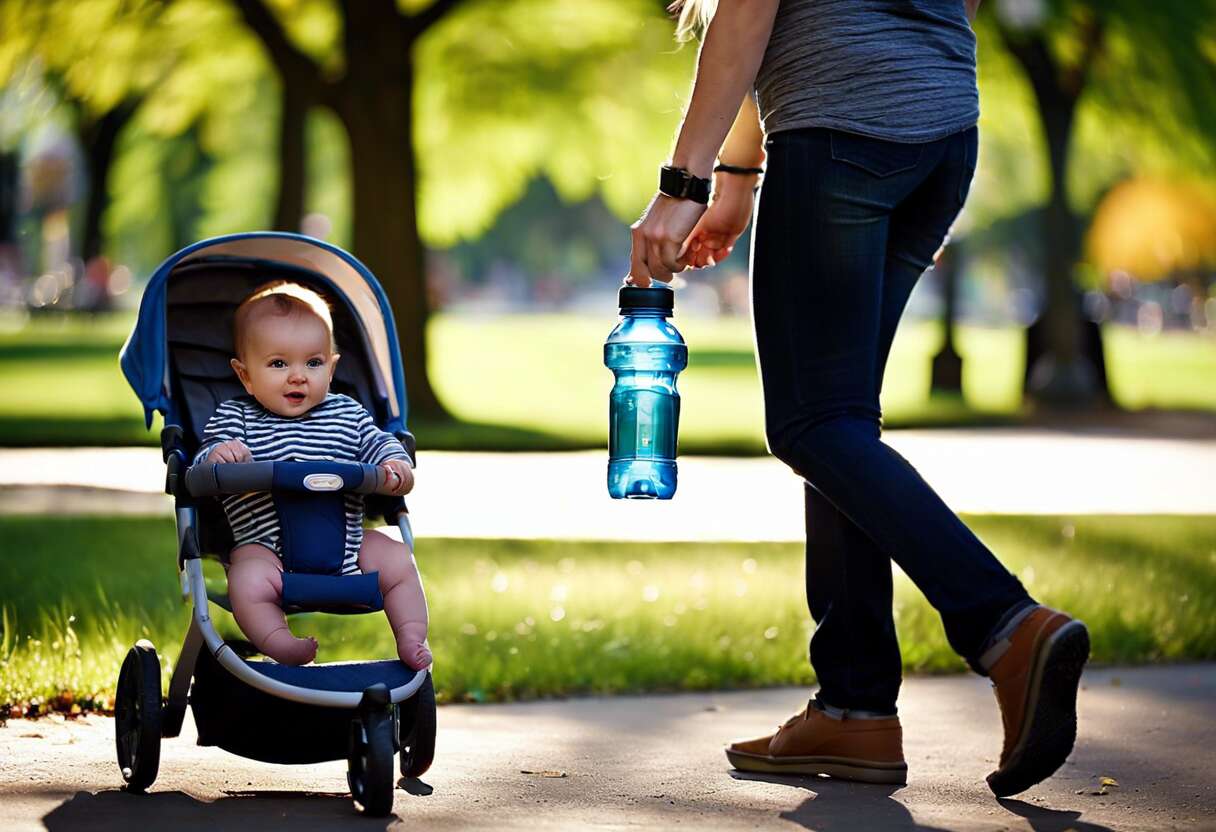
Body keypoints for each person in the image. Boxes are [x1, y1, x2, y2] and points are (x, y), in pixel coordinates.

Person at [627, 0, 1089, 797]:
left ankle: (1004, 624)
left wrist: (684, 183)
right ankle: (855, 708)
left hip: (842, 134)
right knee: (841, 425)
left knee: (812, 424)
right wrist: (740, 175)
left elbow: (746, 10)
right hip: (940, 134)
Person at [193, 281, 431, 670]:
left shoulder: (347, 416)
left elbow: (379, 443)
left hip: (347, 547)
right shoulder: (235, 418)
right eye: (278, 364)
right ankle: (280, 643)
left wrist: (396, 467)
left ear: (332, 367)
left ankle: (410, 637)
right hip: (267, 549)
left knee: (398, 560)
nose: (298, 376)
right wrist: (218, 456)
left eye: (313, 363)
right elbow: (204, 462)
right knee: (245, 579)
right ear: (245, 375)